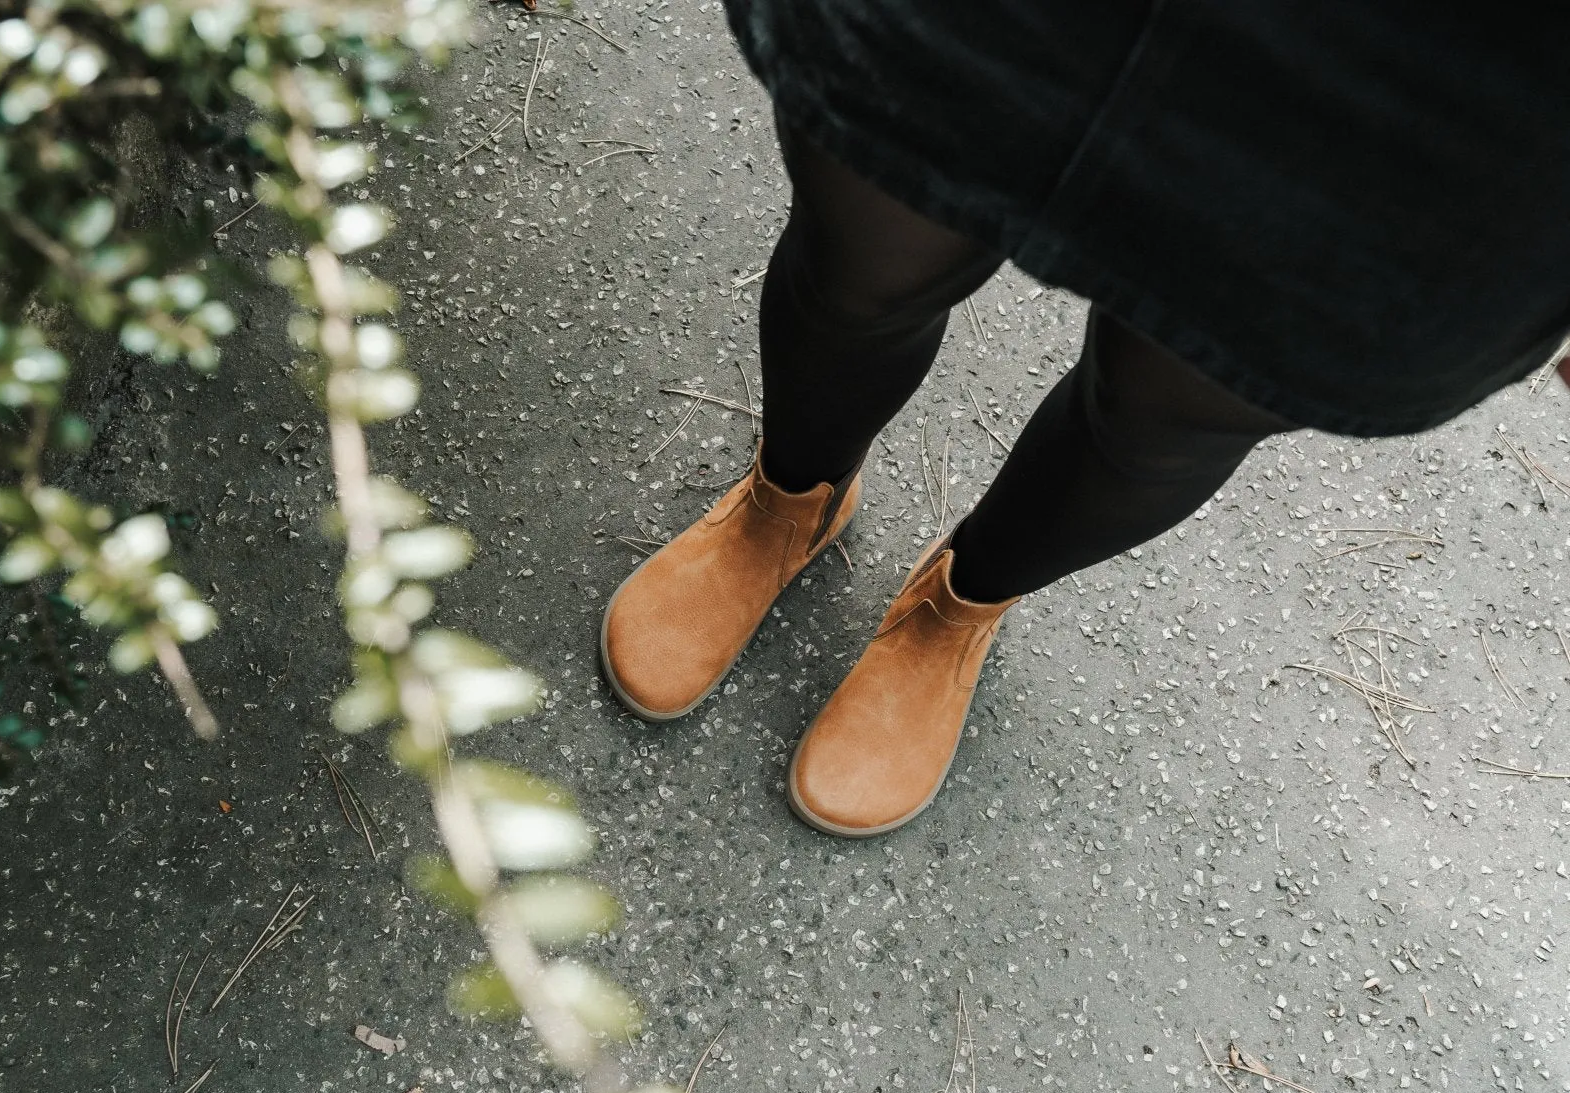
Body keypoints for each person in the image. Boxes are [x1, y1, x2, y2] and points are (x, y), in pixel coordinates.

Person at [598, 2, 1570, 837]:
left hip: (1473, 81)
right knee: (868, 231)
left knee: (1179, 402)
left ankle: (957, 607)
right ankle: (791, 502)